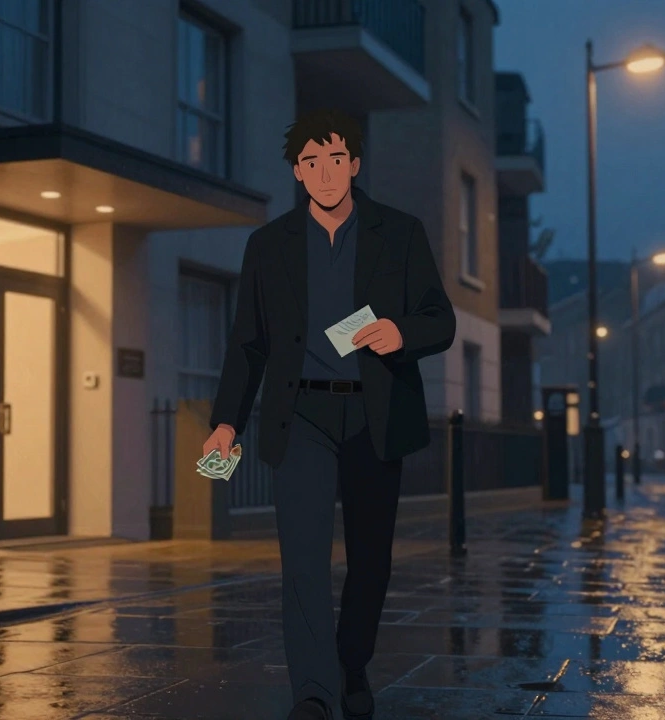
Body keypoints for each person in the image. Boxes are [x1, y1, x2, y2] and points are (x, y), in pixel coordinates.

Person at [203, 109, 455, 720]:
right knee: (304, 560)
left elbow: (440, 319)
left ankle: (350, 660)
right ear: (296, 170)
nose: (324, 173)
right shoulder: (268, 246)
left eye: (335, 159)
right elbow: (248, 344)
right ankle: (313, 693)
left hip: (375, 414)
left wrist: (400, 332)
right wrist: (227, 421)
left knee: (372, 558)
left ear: (356, 164)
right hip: (302, 417)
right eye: (310, 162)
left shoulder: (400, 232)